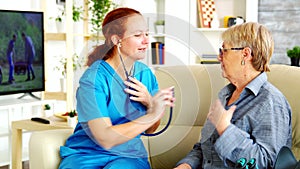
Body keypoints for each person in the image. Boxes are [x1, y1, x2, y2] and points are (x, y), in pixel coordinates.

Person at [59, 7, 175, 169]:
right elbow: (105, 138)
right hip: (86, 154)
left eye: (147, 34)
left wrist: (150, 103)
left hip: (129, 156)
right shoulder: (94, 78)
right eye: (137, 35)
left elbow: (151, 130)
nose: (146, 40)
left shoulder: (145, 75)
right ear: (116, 40)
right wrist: (152, 114)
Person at [174, 22, 292, 169]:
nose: (219, 57)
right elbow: (205, 148)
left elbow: (267, 163)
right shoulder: (225, 95)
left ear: (245, 54)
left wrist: (225, 129)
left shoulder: (271, 102)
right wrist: (186, 165)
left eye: (224, 51)